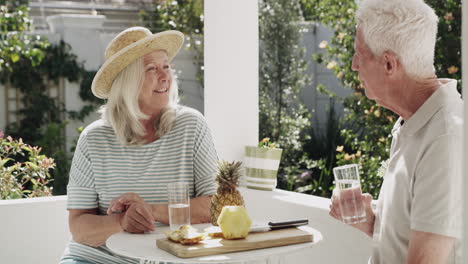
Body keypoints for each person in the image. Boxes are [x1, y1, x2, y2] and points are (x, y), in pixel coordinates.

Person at [60, 27, 218, 264]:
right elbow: (79, 227)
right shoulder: (94, 139)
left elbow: (216, 205)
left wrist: (150, 211)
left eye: (166, 66)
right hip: (94, 258)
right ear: (127, 82)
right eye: (151, 69)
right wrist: (121, 221)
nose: (165, 77)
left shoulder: (191, 126)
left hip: (168, 258)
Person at [329, 0, 462, 263]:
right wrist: (372, 223)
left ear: (389, 64)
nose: (354, 65)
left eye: (360, 54)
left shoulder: (446, 137)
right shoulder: (413, 123)